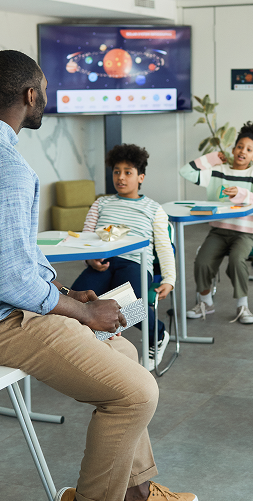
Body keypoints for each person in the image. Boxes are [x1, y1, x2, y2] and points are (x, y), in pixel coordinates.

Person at [0, 50, 198, 501]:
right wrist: (81, 314)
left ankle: (135, 492)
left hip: (14, 306)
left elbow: (13, 258)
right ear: (30, 96)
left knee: (127, 346)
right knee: (138, 391)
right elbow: (6, 279)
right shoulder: (8, 166)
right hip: (2, 323)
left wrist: (65, 293)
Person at [70, 143, 175, 371]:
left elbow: (164, 247)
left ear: (141, 177)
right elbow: (86, 238)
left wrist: (169, 279)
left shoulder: (153, 209)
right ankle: (97, 348)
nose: (121, 177)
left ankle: (157, 333)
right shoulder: (101, 203)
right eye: (117, 171)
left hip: (135, 263)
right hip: (103, 263)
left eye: (128, 172)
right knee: (75, 302)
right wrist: (90, 259)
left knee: (128, 305)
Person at [180, 121, 253, 323]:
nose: (242, 152)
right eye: (240, 147)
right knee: (202, 261)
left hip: (244, 233)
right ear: (233, 148)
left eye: (248, 150)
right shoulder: (218, 171)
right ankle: (205, 302)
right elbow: (186, 172)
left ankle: (243, 306)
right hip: (219, 231)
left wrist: (242, 193)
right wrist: (211, 158)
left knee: (237, 260)